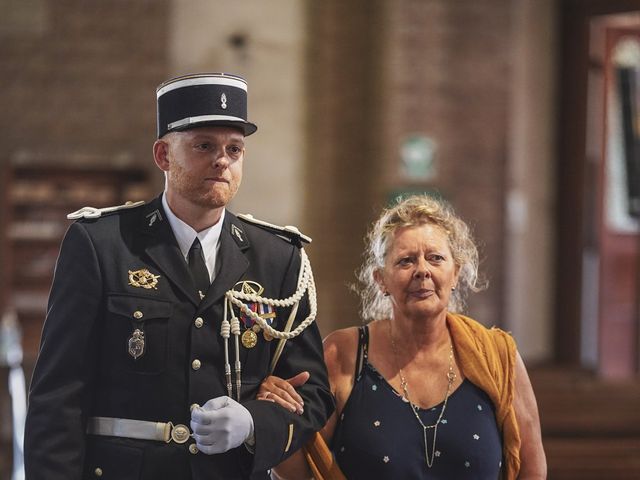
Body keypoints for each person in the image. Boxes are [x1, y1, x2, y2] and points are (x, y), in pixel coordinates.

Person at [24, 72, 334, 480]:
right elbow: (58, 395)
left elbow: (312, 393)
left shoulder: (278, 258)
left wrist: (255, 422)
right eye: (204, 146)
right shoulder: (104, 245)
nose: (222, 160)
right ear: (163, 155)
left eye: (234, 148)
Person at [258, 194, 547, 479]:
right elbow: (298, 472)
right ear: (380, 279)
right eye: (406, 261)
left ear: (456, 273)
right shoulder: (343, 353)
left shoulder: (497, 356)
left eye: (435, 258)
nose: (422, 270)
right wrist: (279, 416)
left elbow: (531, 471)